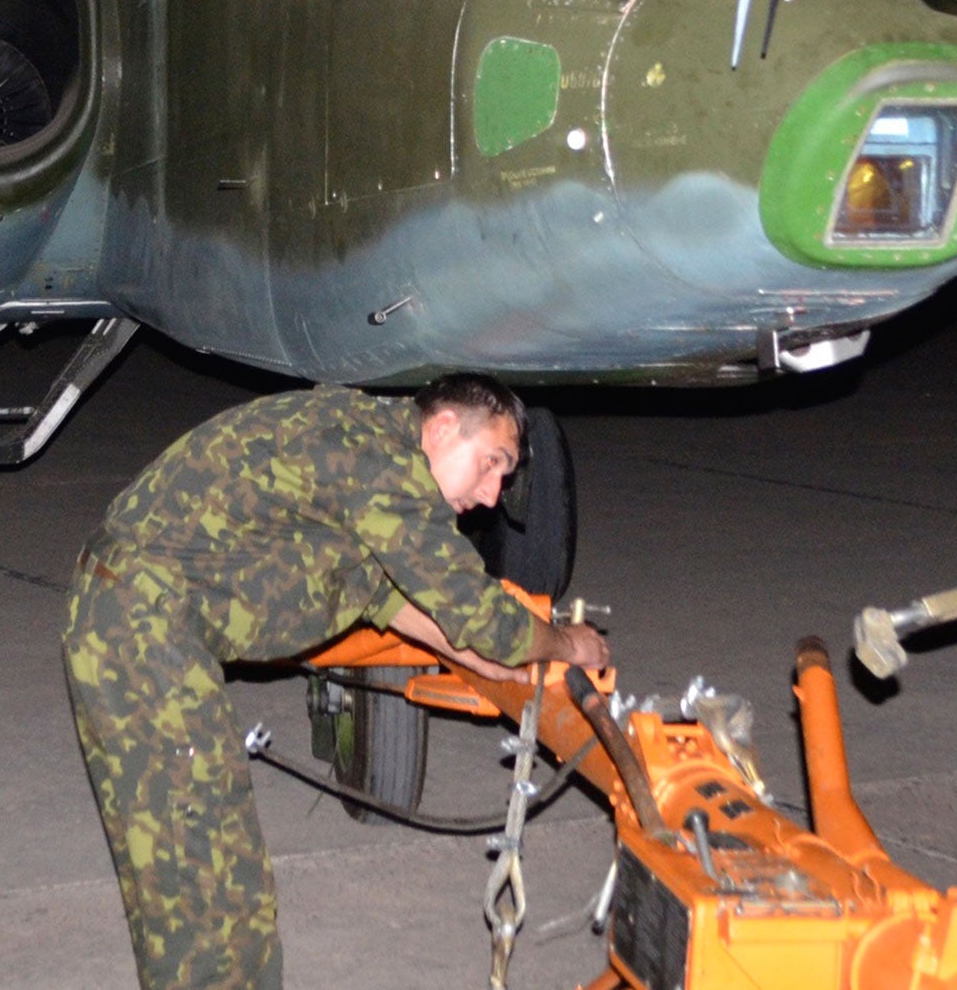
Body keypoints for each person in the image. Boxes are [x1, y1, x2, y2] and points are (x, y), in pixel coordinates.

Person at [63, 374, 610, 990]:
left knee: (226, 868)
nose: (490, 495)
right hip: (141, 632)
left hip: (147, 624)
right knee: (199, 877)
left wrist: (478, 658)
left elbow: (381, 592)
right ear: (443, 427)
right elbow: (475, 611)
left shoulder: (362, 443)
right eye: (491, 465)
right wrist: (565, 644)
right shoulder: (382, 463)